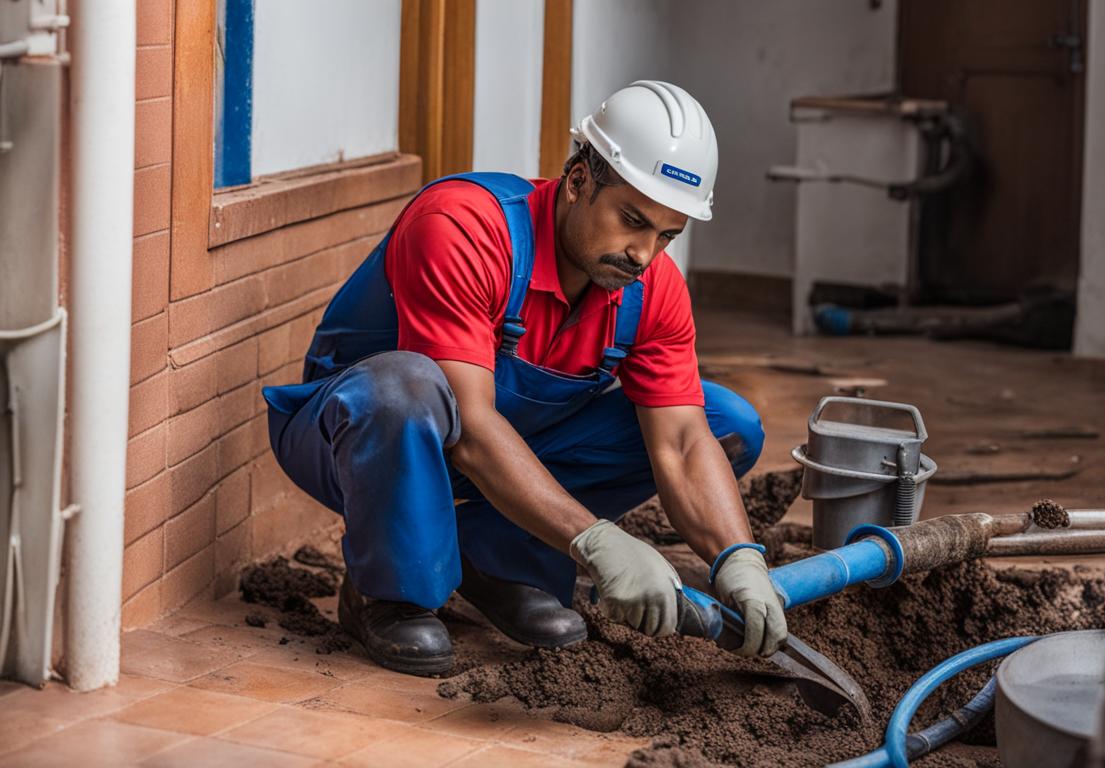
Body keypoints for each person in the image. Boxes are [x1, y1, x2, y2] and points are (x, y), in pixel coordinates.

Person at [262, 81, 787, 676]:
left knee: (723, 424)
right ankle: (387, 591)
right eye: (632, 220)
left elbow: (686, 443)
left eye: (666, 235)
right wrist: (597, 541)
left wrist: (737, 559)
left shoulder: (651, 286)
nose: (642, 254)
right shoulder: (465, 227)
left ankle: (498, 559)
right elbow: (472, 426)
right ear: (578, 180)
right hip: (358, 433)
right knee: (407, 386)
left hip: (504, 435)